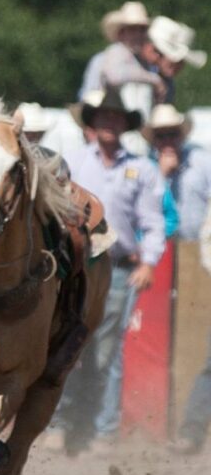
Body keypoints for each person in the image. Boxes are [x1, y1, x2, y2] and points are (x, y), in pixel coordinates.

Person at [53, 88, 166, 454]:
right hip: (74, 264)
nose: (110, 123)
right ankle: (61, 421)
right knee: (65, 342)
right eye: (104, 116)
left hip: (116, 267)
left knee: (106, 351)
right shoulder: (71, 163)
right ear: (93, 122)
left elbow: (152, 221)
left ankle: (102, 428)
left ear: (124, 124)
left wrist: (148, 261)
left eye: (116, 117)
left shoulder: (142, 169)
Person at [142, 106, 211, 454]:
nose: (168, 140)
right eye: (162, 135)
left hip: (199, 260)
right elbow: (150, 214)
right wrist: (162, 176)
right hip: (162, 260)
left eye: (173, 133)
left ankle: (190, 429)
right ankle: (182, 428)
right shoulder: (146, 169)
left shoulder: (203, 162)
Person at [78, 1, 151, 98]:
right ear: (121, 33)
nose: (138, 35)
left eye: (141, 30)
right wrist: (153, 79)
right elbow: (116, 75)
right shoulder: (102, 59)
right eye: (132, 30)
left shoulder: (144, 62)